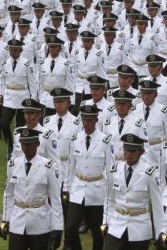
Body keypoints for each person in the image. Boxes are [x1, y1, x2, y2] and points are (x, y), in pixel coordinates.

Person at [0, 127, 64, 250]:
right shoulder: (13, 165)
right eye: (23, 144)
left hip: (40, 223)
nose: (25, 148)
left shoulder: (48, 166)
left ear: (37, 144)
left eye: (29, 144)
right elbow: (8, 194)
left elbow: (55, 199)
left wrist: (58, 227)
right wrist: (6, 219)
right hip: (17, 221)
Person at [102, 133, 163, 250]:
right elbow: (109, 198)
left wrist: (159, 232)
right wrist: (105, 221)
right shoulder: (115, 170)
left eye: (133, 151)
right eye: (127, 150)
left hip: (139, 227)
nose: (129, 154)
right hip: (117, 224)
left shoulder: (149, 173)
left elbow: (157, 205)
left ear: (141, 152)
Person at [64, 103, 112, 250]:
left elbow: (110, 168)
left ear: (96, 120)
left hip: (96, 190)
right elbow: (71, 165)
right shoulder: (75, 139)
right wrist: (67, 187)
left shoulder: (105, 140)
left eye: (90, 120)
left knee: (97, 232)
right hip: (78, 189)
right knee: (71, 228)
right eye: (85, 120)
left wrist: (109, 193)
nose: (87, 123)